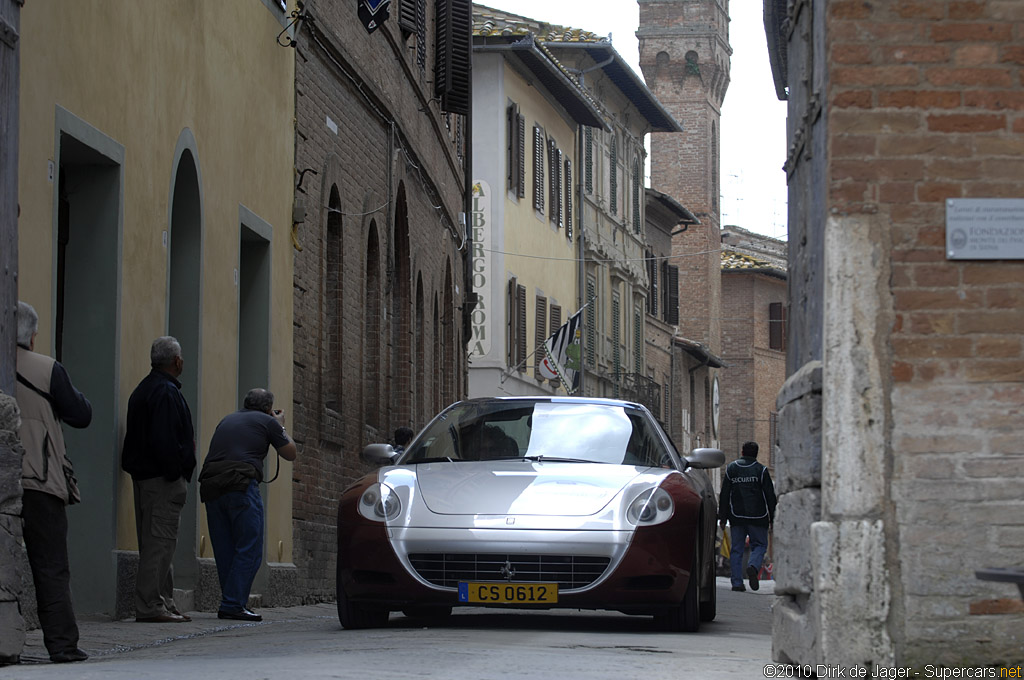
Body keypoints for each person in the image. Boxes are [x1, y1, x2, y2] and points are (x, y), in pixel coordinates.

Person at [15, 302, 92, 663]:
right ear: (31, 334)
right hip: (38, 479)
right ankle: (62, 645)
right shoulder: (47, 369)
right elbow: (81, 414)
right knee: (50, 566)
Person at [198, 389, 296, 622]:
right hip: (240, 485)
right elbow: (290, 453)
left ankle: (230, 601)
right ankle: (233, 604)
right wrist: (279, 424)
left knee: (224, 548)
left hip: (212, 484)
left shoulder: (228, 418)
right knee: (249, 546)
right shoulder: (267, 421)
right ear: (267, 408)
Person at [121, 336, 196, 623]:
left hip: (147, 476)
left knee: (157, 541)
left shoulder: (145, 388)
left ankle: (162, 600)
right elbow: (165, 439)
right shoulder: (165, 392)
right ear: (176, 361)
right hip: (161, 479)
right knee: (159, 542)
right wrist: (175, 471)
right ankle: (151, 604)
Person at [718, 441, 777, 592]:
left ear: (742, 452)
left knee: (736, 549)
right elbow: (770, 496)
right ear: (756, 454)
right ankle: (753, 565)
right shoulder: (762, 471)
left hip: (737, 516)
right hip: (758, 517)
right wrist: (773, 517)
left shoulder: (732, 469)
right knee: (760, 545)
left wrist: (723, 517)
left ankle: (737, 583)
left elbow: (725, 494)